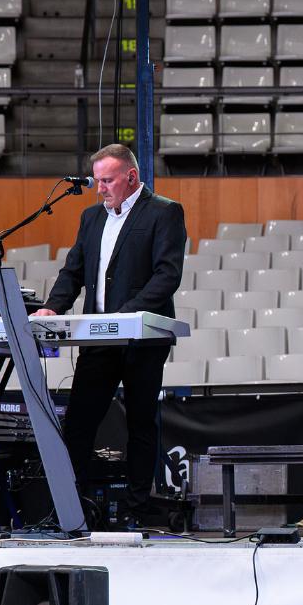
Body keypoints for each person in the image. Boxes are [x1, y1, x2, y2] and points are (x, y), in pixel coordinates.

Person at [37, 144, 189, 516]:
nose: (99, 188)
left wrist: (123, 315)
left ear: (131, 177)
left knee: (140, 422)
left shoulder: (164, 212)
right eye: (98, 181)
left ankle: (136, 507)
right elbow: (73, 271)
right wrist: (53, 306)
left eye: (107, 180)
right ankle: (74, 509)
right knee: (78, 422)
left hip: (141, 338)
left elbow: (167, 275)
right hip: (99, 340)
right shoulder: (91, 218)